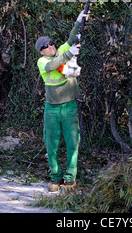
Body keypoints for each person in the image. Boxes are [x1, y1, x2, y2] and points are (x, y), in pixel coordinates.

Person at [35, 11, 85, 194]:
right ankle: (55, 178)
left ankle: (70, 179)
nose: (51, 46)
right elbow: (52, 65)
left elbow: (72, 39)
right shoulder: (42, 61)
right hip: (52, 109)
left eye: (51, 43)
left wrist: (79, 20)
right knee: (52, 144)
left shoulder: (61, 52)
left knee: (73, 143)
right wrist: (68, 54)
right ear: (41, 51)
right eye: (46, 46)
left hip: (69, 106)